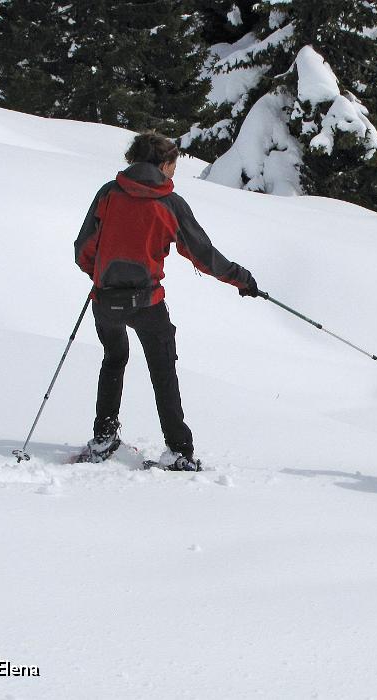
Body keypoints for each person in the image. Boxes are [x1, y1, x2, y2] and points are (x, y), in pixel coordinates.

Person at [73, 132, 259, 469]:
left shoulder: (108, 194)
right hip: (147, 302)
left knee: (114, 359)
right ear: (162, 163)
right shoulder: (169, 203)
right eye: (173, 164)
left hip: (105, 300)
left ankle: (103, 438)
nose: (174, 171)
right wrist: (241, 279)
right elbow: (202, 254)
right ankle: (179, 451)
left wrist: (99, 277)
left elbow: (83, 248)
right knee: (162, 372)